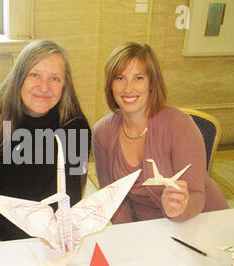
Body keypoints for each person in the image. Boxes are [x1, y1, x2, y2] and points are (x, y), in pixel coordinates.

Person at [93, 42, 228, 224]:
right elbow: (114, 199)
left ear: (151, 83)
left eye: (138, 78)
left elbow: (197, 195)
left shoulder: (179, 124)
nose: (128, 88)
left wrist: (178, 209)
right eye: (120, 78)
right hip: (150, 231)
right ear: (110, 84)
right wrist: (130, 236)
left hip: (200, 222)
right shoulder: (102, 131)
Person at [0, 39, 91, 242]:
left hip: (49, 243)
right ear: (19, 78)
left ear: (65, 85)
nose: (44, 87)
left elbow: (69, 200)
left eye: (54, 78)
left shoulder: (74, 128)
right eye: (34, 75)